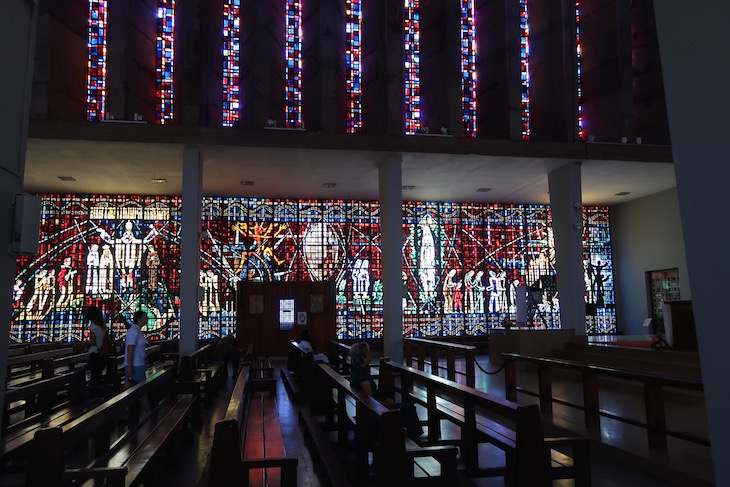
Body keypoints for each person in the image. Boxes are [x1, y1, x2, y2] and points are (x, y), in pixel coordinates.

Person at [349, 342, 423, 440]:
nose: (371, 355)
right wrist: (385, 403)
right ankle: (415, 440)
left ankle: (414, 438)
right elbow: (371, 402)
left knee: (405, 407)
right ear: (364, 356)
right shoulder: (363, 377)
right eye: (369, 352)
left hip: (365, 412)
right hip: (372, 416)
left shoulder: (356, 371)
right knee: (408, 408)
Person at [86, 305, 110, 385]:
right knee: (98, 376)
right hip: (103, 354)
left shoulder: (93, 327)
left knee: (94, 377)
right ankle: (99, 394)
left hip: (95, 354)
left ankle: (94, 395)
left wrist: (85, 345)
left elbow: (93, 342)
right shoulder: (103, 327)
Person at [125, 310, 149, 383]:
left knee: (135, 387)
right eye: (144, 317)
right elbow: (130, 350)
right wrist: (130, 368)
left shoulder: (138, 331)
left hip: (139, 363)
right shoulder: (133, 331)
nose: (147, 318)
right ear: (138, 319)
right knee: (140, 388)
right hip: (135, 364)